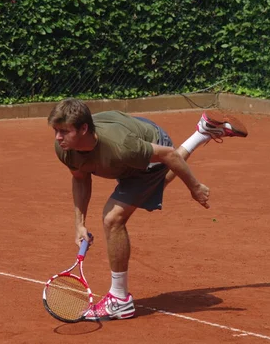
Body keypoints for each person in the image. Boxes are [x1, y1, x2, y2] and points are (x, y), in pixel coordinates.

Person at [47, 98, 247, 321]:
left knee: (113, 218)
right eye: (56, 130)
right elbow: (80, 177)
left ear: (83, 128)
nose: (57, 137)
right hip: (127, 140)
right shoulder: (65, 149)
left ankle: (119, 300)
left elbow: (168, 155)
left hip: (149, 140)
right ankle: (202, 133)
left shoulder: (122, 147)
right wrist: (79, 224)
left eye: (63, 131)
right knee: (153, 187)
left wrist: (195, 187)